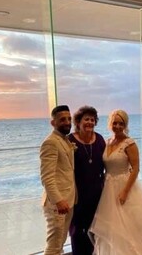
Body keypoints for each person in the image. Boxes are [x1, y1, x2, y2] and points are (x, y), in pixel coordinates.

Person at [89, 109, 142, 255]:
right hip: (108, 188)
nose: (117, 126)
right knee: (114, 227)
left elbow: (135, 169)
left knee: (131, 226)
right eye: (115, 123)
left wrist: (125, 192)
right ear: (110, 124)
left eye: (121, 123)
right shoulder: (107, 142)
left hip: (125, 186)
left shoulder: (130, 143)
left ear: (125, 125)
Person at [68, 106, 106, 255]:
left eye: (92, 119)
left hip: (98, 191)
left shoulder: (100, 139)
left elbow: (107, 163)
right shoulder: (70, 140)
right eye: (86, 119)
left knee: (97, 228)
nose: (89, 122)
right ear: (78, 122)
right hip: (78, 193)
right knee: (77, 231)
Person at [40, 105, 76, 255]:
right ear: (53, 123)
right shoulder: (50, 142)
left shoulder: (64, 139)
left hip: (68, 200)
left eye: (69, 119)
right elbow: (47, 177)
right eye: (62, 120)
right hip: (58, 204)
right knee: (54, 246)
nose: (67, 122)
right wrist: (58, 200)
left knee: (60, 243)